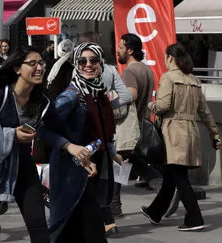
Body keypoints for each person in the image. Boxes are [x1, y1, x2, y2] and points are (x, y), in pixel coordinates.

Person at [0, 46, 52, 243]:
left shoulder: (43, 100)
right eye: (32, 63)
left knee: (38, 223)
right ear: (16, 69)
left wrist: (74, 148)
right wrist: (10, 135)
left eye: (41, 63)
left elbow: (56, 129)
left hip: (23, 164)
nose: (39, 67)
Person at [39, 43, 121, 242]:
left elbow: (101, 130)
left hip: (93, 168)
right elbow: (43, 128)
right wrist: (70, 146)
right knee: (88, 230)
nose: (88, 65)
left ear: (101, 63)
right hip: (72, 171)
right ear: (76, 64)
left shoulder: (99, 93)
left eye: (93, 60)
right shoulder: (72, 96)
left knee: (76, 230)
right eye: (82, 61)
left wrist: (110, 150)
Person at [141, 43, 221, 232]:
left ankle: (194, 218)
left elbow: (162, 106)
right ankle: (155, 211)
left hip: (172, 132)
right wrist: (214, 133)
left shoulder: (169, 78)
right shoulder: (194, 79)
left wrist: (149, 105)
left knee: (179, 175)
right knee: (171, 174)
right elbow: (205, 112)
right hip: (190, 131)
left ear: (170, 58)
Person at [111, 33, 156, 216]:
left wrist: (109, 104)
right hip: (140, 124)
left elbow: (131, 95)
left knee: (119, 162)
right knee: (131, 163)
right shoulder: (146, 70)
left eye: (121, 47)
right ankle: (114, 205)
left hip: (128, 127)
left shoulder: (129, 71)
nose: (118, 50)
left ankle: (114, 205)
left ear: (130, 50)